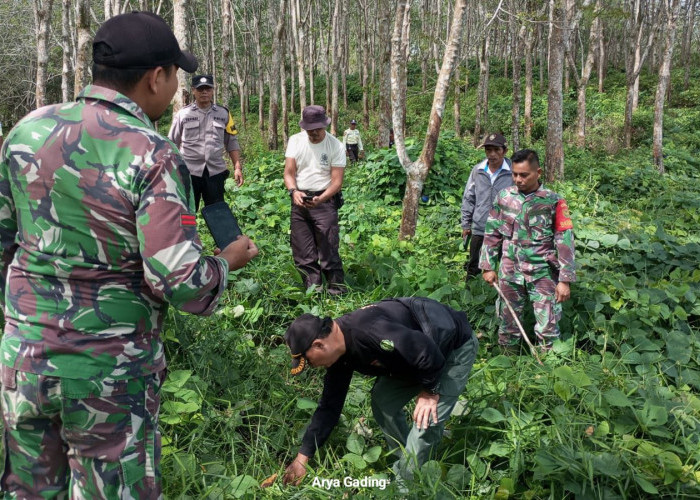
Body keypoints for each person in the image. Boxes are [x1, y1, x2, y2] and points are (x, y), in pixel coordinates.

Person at [0, 12, 258, 498]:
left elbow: (3, 241)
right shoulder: (152, 153)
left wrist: (23, 327)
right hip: (108, 376)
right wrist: (226, 263)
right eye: (175, 75)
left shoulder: (27, 131)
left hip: (25, 364)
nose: (177, 86)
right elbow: (181, 283)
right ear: (155, 77)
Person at [281, 297, 478, 485]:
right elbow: (330, 406)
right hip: (415, 361)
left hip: (451, 350)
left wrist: (429, 392)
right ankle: (406, 461)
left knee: (425, 421)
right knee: (383, 401)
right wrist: (302, 458)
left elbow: (424, 350)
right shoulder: (338, 353)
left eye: (309, 360)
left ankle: (406, 487)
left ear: (318, 344)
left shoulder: (368, 330)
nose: (313, 366)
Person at [479, 149, 575, 351]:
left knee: (548, 325)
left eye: (524, 175)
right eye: (514, 174)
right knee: (508, 323)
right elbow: (492, 233)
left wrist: (565, 279)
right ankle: (509, 364)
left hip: (543, 273)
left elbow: (564, 240)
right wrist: (488, 266)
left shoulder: (553, 201)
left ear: (538, 172)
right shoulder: (504, 197)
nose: (518, 179)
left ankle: (548, 367)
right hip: (510, 272)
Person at [284, 105, 346, 294]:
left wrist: (321, 198)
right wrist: (294, 191)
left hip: (325, 199)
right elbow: (288, 173)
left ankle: (336, 290)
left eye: (318, 129)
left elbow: (336, 182)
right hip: (300, 198)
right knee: (302, 249)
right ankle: (313, 290)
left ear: (325, 125)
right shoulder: (295, 141)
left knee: (328, 246)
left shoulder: (335, 145)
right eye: (310, 130)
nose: (314, 133)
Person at [168, 74, 243, 211]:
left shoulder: (223, 113)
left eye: (208, 89)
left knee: (217, 213)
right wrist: (171, 170)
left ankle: (218, 232)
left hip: (215, 173)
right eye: (200, 89)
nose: (204, 92)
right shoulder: (183, 114)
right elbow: (172, 143)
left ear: (213, 90)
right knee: (187, 212)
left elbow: (231, 141)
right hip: (189, 173)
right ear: (193, 90)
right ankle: (189, 233)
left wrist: (237, 167)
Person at [460, 133, 514, 281]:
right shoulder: (478, 170)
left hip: (506, 228)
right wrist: (466, 224)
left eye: (496, 150)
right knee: (474, 265)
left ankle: (502, 296)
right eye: (488, 150)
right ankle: (469, 297)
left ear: (505, 150)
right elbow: (469, 198)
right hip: (480, 226)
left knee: (507, 266)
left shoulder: (513, 171)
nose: (492, 154)